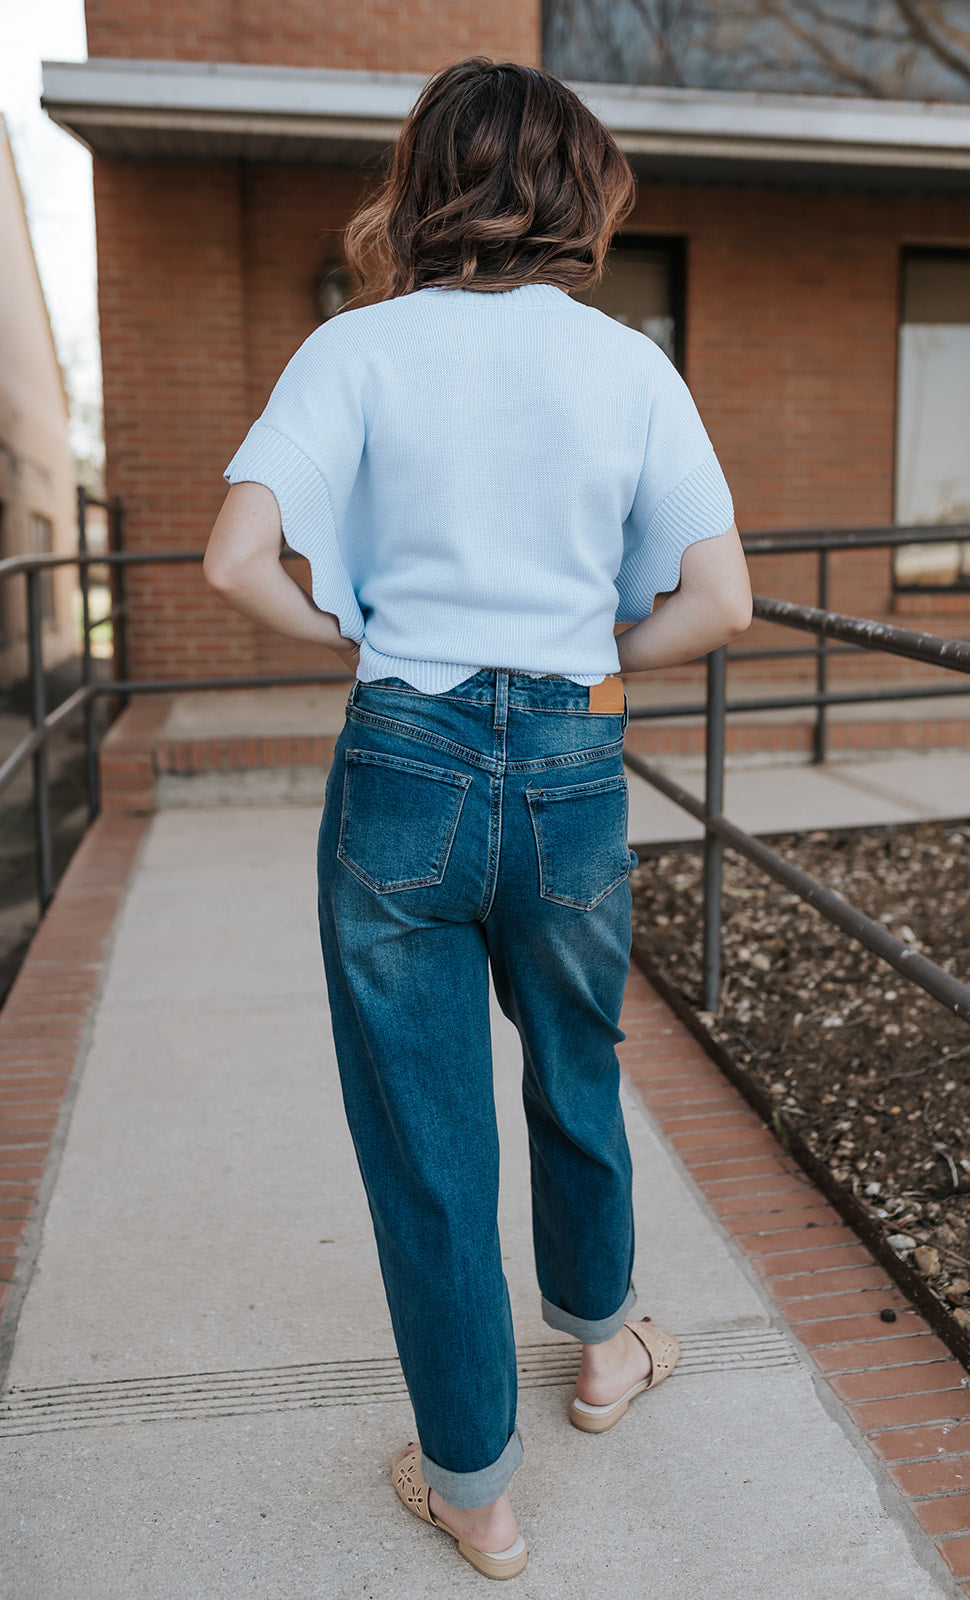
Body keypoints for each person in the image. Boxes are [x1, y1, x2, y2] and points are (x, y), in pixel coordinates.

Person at [203, 56, 752, 1581]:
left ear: (425, 179)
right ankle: (602, 1352)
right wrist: (584, 668)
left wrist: (359, 643)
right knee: (578, 1070)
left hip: (406, 763)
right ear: (580, 193)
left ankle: (474, 1493)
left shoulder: (353, 352)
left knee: (424, 1140)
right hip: (571, 760)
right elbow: (721, 602)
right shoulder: (631, 366)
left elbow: (236, 560)